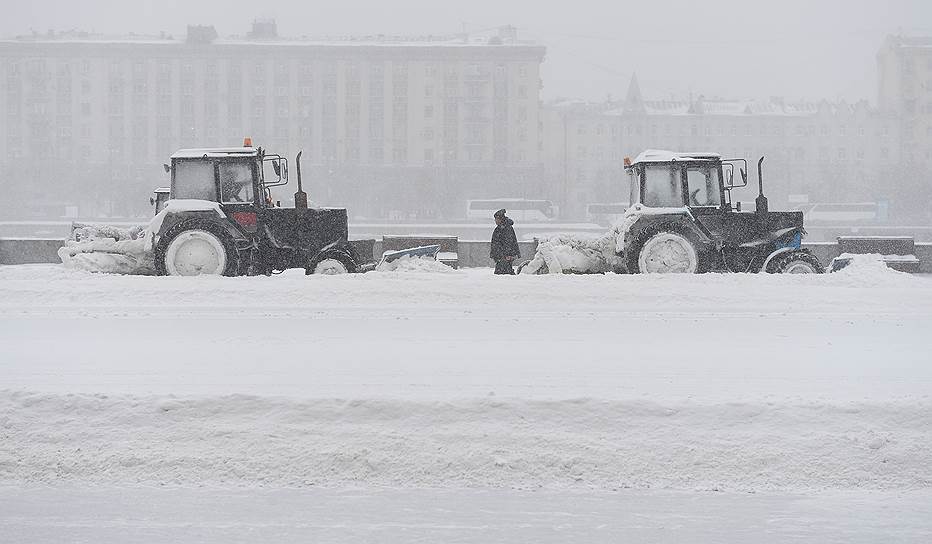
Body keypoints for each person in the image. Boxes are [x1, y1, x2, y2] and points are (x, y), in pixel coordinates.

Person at [490, 208, 520, 275]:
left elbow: (508, 242)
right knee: (504, 273)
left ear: (501, 219)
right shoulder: (502, 227)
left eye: (496, 219)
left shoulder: (505, 228)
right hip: (501, 256)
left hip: (504, 256)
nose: (495, 221)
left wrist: (507, 255)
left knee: (503, 273)